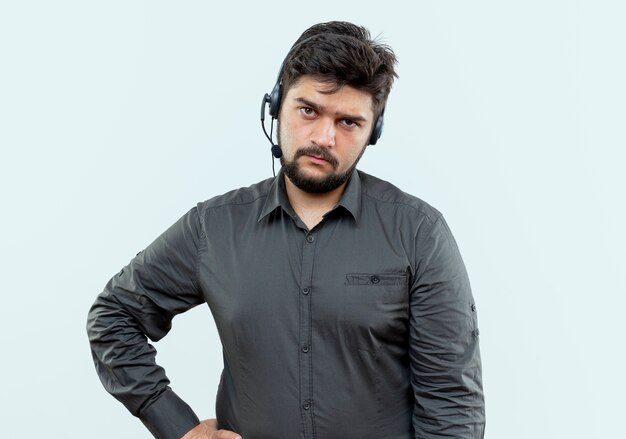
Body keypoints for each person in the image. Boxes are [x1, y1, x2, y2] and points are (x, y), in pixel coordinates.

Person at [87, 21, 485, 439]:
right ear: (276, 105)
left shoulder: (419, 233)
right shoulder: (213, 227)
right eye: (308, 110)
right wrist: (175, 424)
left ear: (373, 132)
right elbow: (112, 316)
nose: (324, 137)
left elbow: (451, 401)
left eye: (348, 122)